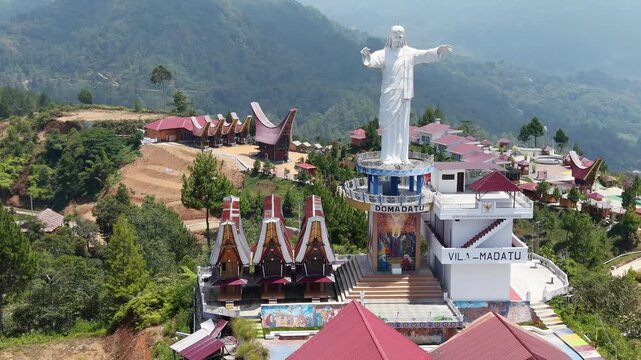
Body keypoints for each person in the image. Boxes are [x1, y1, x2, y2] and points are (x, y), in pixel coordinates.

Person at [361, 25, 452, 164]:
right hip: (390, 94)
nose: (399, 39)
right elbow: (372, 61)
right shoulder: (384, 53)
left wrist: (438, 50)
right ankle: (388, 156)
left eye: (401, 36)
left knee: (402, 126)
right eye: (396, 36)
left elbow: (425, 54)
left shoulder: (409, 53)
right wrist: (366, 55)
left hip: (405, 96)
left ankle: (402, 156)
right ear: (390, 37)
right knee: (389, 126)